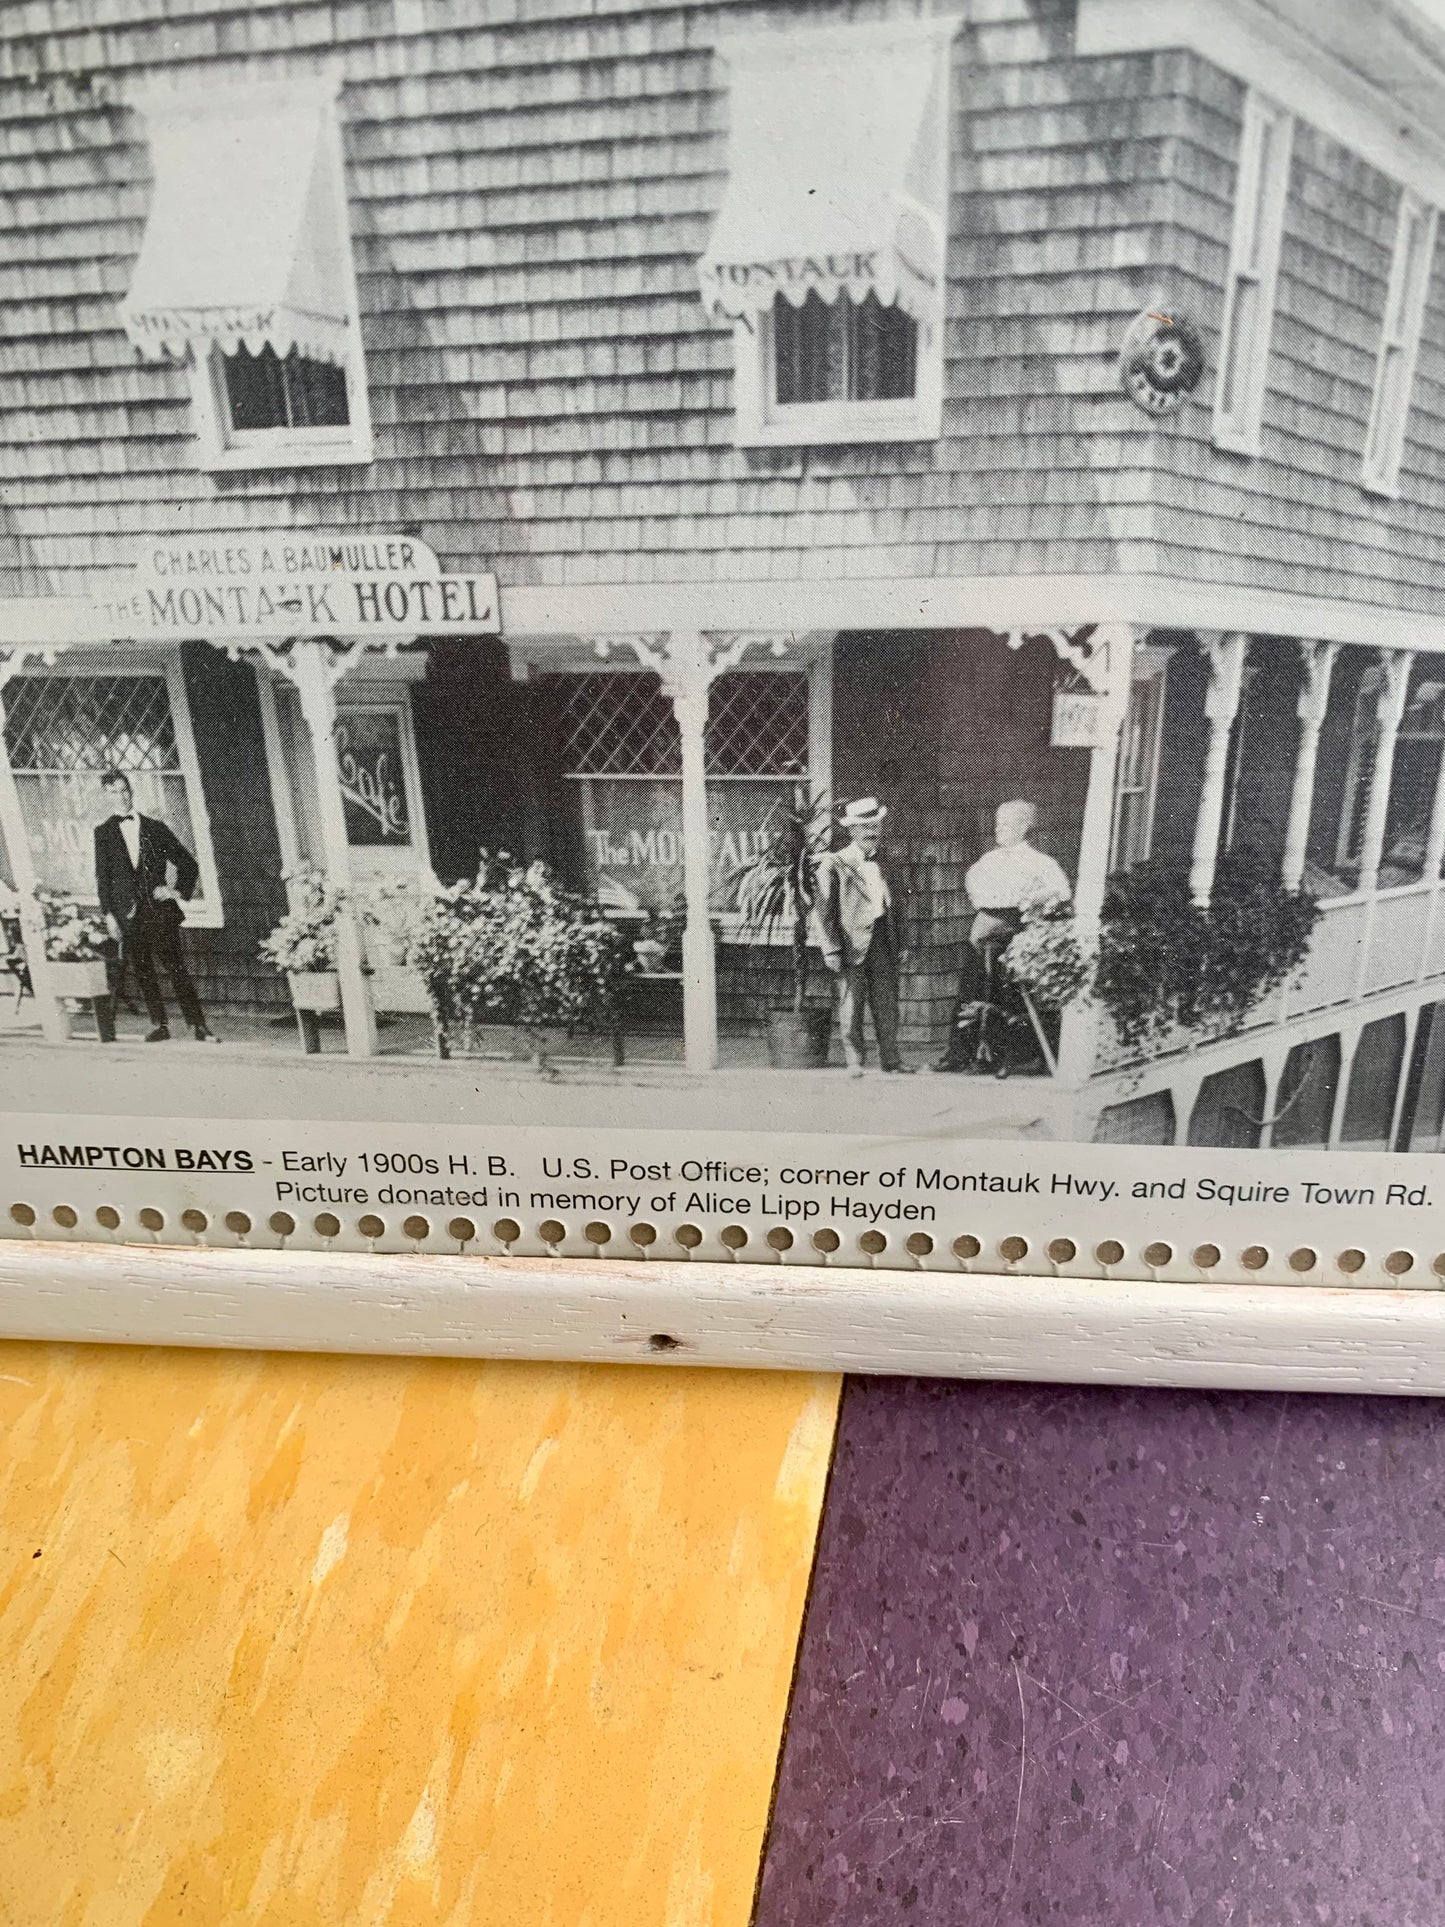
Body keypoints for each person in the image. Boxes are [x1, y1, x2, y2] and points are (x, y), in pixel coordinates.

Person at [935, 799, 1070, 1074]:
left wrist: (1031, 902)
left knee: (1007, 996)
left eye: (1007, 824)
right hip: (984, 935)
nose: (999, 828)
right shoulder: (989, 860)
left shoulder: (1041, 863)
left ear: (1024, 827)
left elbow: (1060, 893)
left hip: (1017, 936)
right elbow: (974, 889)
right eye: (997, 823)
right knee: (971, 991)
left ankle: (1003, 1058)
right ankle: (960, 1054)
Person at [94, 770, 215, 1042]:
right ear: (106, 796)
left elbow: (188, 863)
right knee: (143, 970)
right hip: (128, 915)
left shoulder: (155, 828)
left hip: (159, 912)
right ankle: (160, 1024)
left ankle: (198, 1026)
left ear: (131, 791)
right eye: (114, 791)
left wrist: (174, 891)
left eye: (125, 789)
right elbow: (102, 877)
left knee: (175, 967)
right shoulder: (103, 833)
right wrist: (109, 914)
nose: (121, 796)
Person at [813, 796, 913, 1076]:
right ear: (852, 831)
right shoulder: (836, 864)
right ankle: (854, 1060)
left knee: (887, 1004)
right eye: (865, 826)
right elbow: (822, 911)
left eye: (876, 824)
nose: (873, 831)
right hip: (851, 943)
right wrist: (831, 949)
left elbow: (899, 906)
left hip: (884, 940)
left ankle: (891, 1060)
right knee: (851, 1005)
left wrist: (902, 942)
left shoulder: (889, 863)